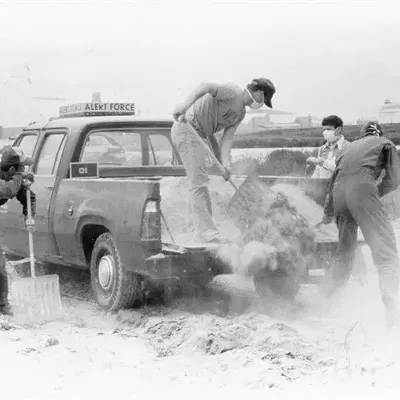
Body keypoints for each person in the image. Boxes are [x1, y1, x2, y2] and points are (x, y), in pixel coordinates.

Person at [171, 78, 276, 244]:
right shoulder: (231, 91)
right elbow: (204, 86)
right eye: (264, 100)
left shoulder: (240, 113)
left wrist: (225, 165)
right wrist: (184, 107)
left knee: (200, 181)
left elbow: (228, 138)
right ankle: (205, 233)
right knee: (199, 182)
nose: (261, 103)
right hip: (187, 129)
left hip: (201, 135)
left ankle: (201, 229)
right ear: (259, 93)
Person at [322, 122, 400, 328]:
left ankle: (330, 301)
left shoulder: (347, 148)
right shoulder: (386, 143)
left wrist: (327, 211)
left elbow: (333, 182)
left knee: (345, 251)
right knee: (387, 252)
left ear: (362, 135)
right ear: (378, 133)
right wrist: (373, 195)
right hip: (362, 191)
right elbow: (393, 180)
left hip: (339, 195)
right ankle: (391, 303)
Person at [0, 147, 36, 316]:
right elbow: (8, 190)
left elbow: (29, 197)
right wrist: (21, 178)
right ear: (12, 169)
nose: (24, 171)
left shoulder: (14, 179)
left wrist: (29, 216)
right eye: (21, 168)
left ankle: (2, 305)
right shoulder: (11, 181)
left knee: (0, 265)